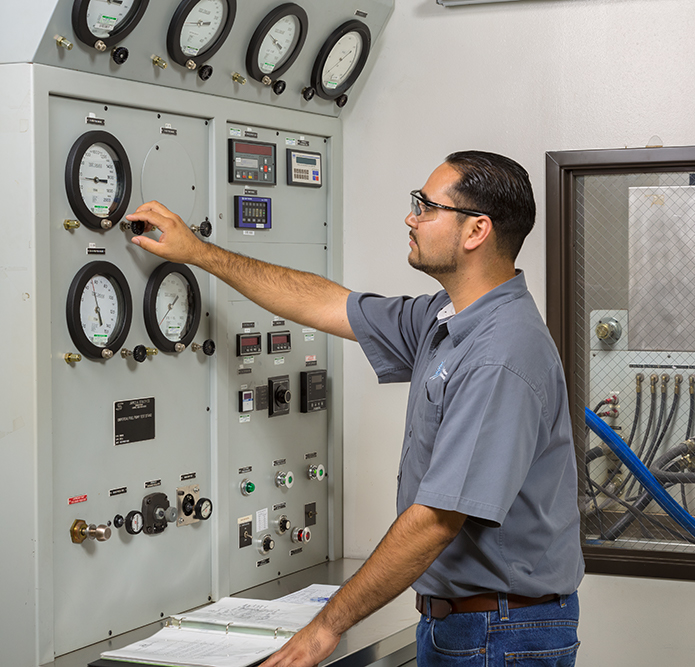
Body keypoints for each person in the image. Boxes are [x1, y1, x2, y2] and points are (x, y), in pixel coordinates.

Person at [126, 150, 585, 667]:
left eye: (426, 206)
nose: (411, 218)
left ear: (475, 231)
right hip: (462, 622)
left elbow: (437, 520)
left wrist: (326, 628)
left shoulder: (502, 353)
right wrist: (199, 252)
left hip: (500, 631)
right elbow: (325, 302)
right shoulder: (447, 318)